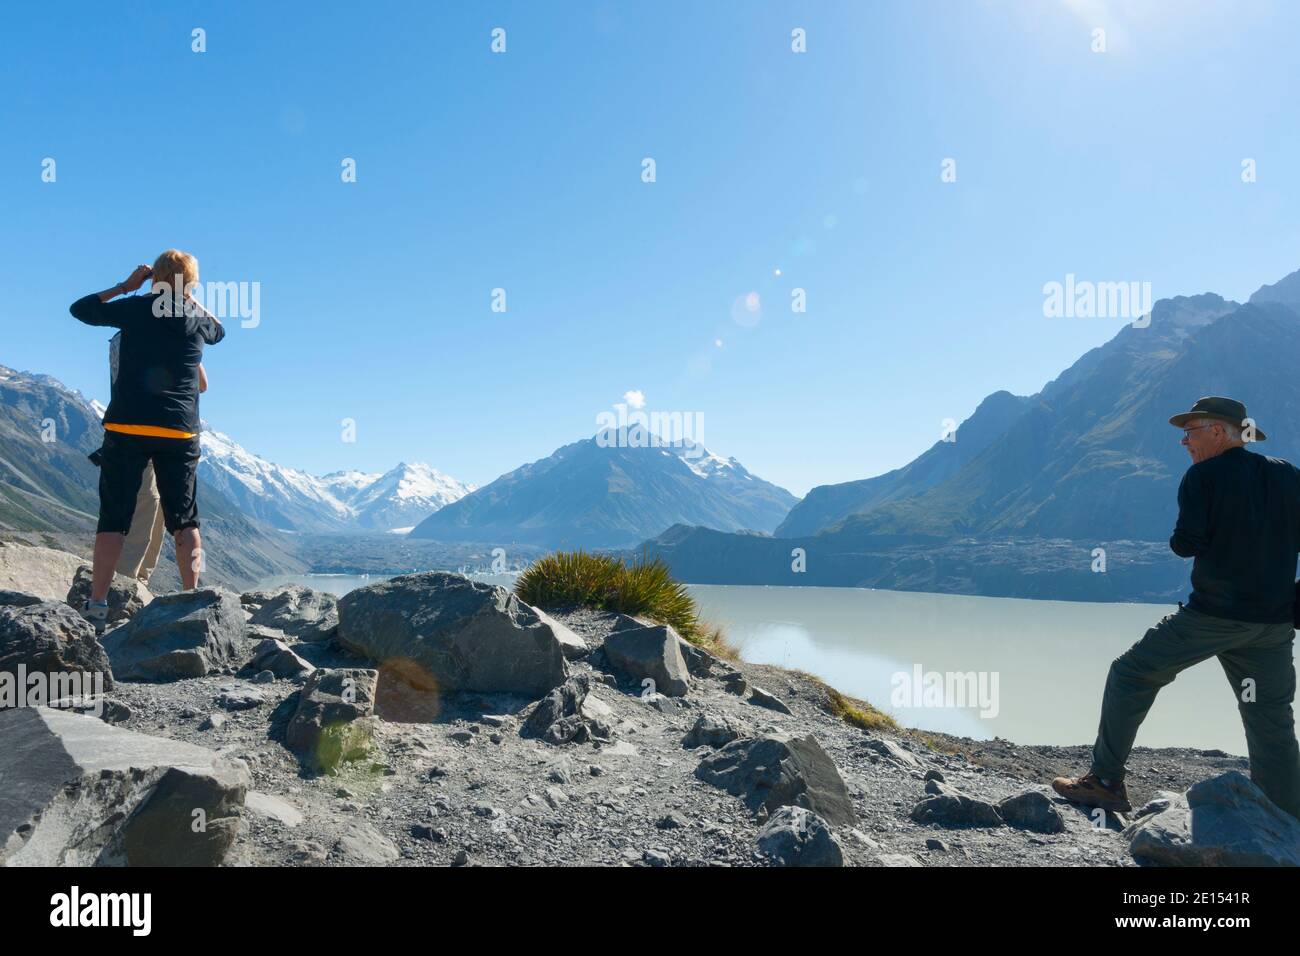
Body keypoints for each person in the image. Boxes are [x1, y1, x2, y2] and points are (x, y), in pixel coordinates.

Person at [1053, 397, 1300, 820]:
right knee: (1270, 717)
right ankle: (1287, 815)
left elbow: (1188, 542)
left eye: (1191, 432)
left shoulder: (1203, 476)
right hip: (1274, 624)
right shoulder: (1289, 476)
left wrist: (1181, 539)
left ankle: (1106, 782)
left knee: (1131, 673)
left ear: (1219, 432)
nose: (1184, 442)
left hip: (1212, 618)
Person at [70, 249, 224, 630]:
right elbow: (219, 331)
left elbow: (81, 309)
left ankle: (98, 605)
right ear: (192, 285)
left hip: (128, 428)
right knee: (185, 521)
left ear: (153, 279)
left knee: (113, 520)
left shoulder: (136, 308)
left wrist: (127, 286)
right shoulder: (197, 319)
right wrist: (187, 295)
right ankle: (191, 602)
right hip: (180, 430)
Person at [94, 336, 209, 585]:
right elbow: (202, 384)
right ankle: (128, 581)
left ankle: (131, 580)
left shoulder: (122, 337)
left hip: (130, 430)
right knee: (150, 504)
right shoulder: (173, 337)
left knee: (145, 503)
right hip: (166, 431)